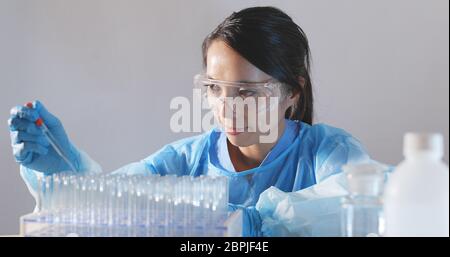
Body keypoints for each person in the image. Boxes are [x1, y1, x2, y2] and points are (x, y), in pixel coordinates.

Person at [8, 6, 381, 236]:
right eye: (215, 88)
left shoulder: (327, 153)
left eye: (247, 92)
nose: (226, 107)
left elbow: (371, 205)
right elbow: (115, 204)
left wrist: (259, 226)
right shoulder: (185, 161)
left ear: (293, 92)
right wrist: (65, 176)